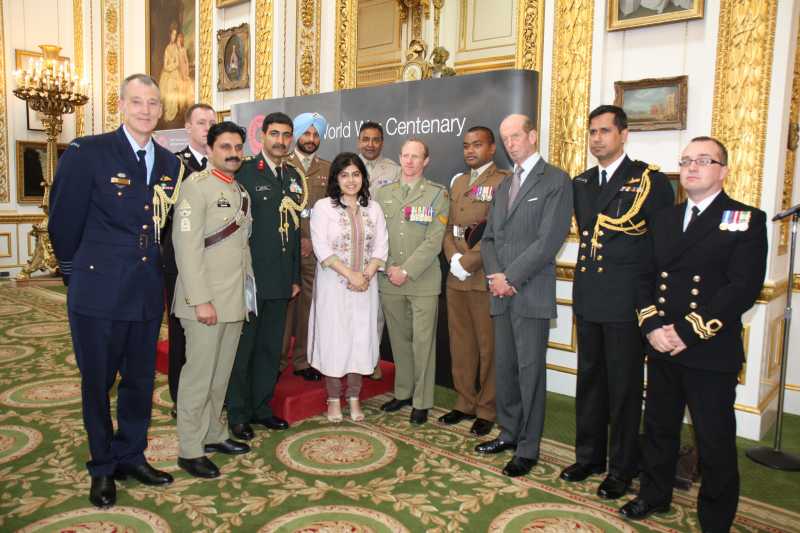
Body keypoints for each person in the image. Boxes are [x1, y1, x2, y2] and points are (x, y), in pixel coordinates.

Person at [620, 137, 767, 533]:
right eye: (686, 161)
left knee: (714, 440)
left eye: (704, 160)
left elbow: (741, 288)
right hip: (663, 345)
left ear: (724, 169)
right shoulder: (666, 218)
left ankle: (715, 518)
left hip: (708, 349)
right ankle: (654, 494)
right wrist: (651, 326)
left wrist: (685, 331)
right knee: (659, 429)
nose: (692, 167)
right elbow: (644, 276)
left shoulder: (746, 218)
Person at [49, 74, 180, 508]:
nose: (146, 110)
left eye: (153, 104)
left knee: (140, 382)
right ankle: (102, 466)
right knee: (98, 383)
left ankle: (132, 454)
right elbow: (63, 221)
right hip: (98, 290)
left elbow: (162, 227)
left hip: (144, 291)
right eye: (137, 102)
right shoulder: (90, 152)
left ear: (161, 111)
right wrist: (76, 276)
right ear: (121, 105)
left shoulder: (169, 164)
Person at [562, 105, 674, 499]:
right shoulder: (582, 181)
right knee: (590, 381)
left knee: (625, 389)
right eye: (592, 131)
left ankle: (622, 468)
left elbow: (660, 248)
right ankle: (589, 456)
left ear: (624, 135)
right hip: (590, 295)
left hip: (627, 302)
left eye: (605, 131)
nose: (597, 138)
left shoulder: (649, 180)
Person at [475, 114, 573, 477]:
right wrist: (496, 276)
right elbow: (488, 239)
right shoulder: (504, 186)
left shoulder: (556, 181)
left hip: (530, 292)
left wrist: (510, 276)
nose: (511, 143)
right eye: (505, 138)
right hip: (501, 293)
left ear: (532, 135)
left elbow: (549, 241)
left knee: (530, 372)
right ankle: (509, 432)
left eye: (516, 136)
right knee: (506, 370)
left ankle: (528, 448)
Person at [171, 121, 253, 479]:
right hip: (203, 302)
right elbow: (186, 249)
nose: (233, 153)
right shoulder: (195, 187)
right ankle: (190, 448)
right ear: (210, 149)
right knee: (198, 377)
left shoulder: (241, 191)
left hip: (232, 301)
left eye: (238, 146)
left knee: (220, 376)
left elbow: (241, 250)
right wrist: (201, 300)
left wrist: (247, 296)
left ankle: (214, 433)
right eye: (225, 147)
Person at [226, 112, 302, 441]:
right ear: (262, 137)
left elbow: (296, 232)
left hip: (281, 279)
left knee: (271, 348)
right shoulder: (244, 171)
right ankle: (238, 413)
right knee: (244, 349)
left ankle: (261, 408)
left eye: (286, 135)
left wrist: (295, 276)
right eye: (275, 134)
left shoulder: (293, 177)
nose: (281, 141)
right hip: (250, 278)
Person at [307, 152, 389, 421]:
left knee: (360, 339)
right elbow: (321, 247)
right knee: (334, 340)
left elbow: (381, 246)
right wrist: (350, 275)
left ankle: (354, 397)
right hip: (334, 286)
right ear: (336, 179)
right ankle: (333, 399)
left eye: (356, 174)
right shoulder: (323, 208)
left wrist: (364, 275)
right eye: (344, 175)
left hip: (366, 287)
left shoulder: (373, 208)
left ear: (363, 178)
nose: (351, 180)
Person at [439, 126, 510, 437]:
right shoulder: (458, 181)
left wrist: (468, 262)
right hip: (456, 277)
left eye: (477, 145)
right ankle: (464, 402)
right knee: (461, 344)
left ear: (492, 148)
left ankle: (487, 408)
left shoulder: (504, 181)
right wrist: (453, 259)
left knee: (488, 346)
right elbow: (449, 226)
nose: (470, 150)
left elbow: (497, 230)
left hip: (484, 276)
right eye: (466, 145)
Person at [375, 138, 449, 425]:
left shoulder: (436, 195)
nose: (409, 161)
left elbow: (434, 240)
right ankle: (403, 392)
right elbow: (378, 235)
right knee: (399, 340)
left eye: (415, 156)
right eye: (405, 155)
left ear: (425, 161)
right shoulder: (384, 194)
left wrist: (405, 270)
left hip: (422, 280)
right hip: (389, 278)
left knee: (422, 342)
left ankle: (422, 400)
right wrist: (391, 267)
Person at [164, 103, 216, 418]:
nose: (208, 127)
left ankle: (211, 394)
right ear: (188, 127)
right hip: (181, 263)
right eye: (201, 122)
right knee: (182, 332)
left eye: (212, 122)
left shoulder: (225, 164)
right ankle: (180, 398)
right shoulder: (174, 165)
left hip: (218, 264)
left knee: (214, 331)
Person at [282, 112, 331, 381]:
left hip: (315, 251)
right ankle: (277, 361)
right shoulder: (283, 165)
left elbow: (330, 211)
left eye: (315, 134)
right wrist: (297, 239)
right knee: (283, 307)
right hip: (285, 250)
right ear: (296, 135)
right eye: (306, 133)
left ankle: (302, 360)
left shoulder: (327, 168)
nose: (311, 139)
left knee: (308, 308)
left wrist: (312, 241)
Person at [357, 121, 401, 380]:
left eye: (375, 140)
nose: (370, 144)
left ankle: (372, 362)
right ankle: (353, 359)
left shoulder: (393, 171)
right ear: (358, 141)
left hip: (381, 249)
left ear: (382, 142)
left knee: (377, 312)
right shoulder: (349, 166)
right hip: (352, 248)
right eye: (366, 139)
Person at [159, 24, 181, 122]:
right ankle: (168, 114)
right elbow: (165, 65)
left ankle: (174, 112)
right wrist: (171, 66)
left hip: (175, 74)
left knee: (174, 92)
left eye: (175, 35)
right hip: (168, 73)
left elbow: (177, 62)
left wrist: (172, 65)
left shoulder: (176, 48)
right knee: (168, 92)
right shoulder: (167, 48)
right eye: (173, 35)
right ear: (170, 35)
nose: (174, 37)